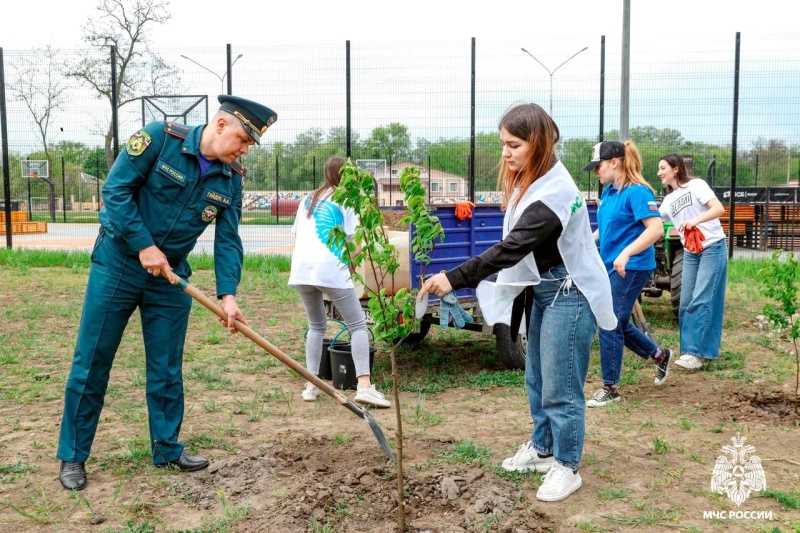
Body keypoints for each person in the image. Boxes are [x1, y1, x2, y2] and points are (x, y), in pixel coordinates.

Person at [56, 95, 278, 491]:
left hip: (171, 277)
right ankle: (73, 456)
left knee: (166, 367)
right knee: (92, 359)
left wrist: (228, 294)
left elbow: (229, 241)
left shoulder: (233, 179)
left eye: (250, 145)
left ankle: (167, 448)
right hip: (118, 264)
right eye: (244, 139)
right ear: (221, 124)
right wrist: (143, 244)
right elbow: (116, 191)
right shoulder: (160, 139)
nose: (245, 149)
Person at [420, 103, 616, 502]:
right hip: (543, 290)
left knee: (561, 385)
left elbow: (511, 248)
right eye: (503, 144)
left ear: (537, 143)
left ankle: (567, 465)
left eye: (513, 145)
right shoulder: (536, 180)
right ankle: (543, 448)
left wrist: (452, 278)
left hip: (568, 292)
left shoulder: (555, 193)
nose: (505, 153)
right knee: (537, 377)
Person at [288, 156, 390, 408]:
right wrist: (354, 259)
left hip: (301, 270)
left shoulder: (308, 199)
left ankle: (312, 384)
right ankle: (365, 386)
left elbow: (299, 235)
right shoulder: (347, 200)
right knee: (357, 325)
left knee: (316, 326)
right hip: (330, 269)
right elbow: (354, 243)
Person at [582, 141, 674, 408]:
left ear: (614, 162)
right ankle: (659, 355)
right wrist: (588, 241)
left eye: (598, 166)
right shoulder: (610, 193)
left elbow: (655, 229)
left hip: (633, 267)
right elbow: (608, 228)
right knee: (617, 322)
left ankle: (610, 388)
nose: (595, 172)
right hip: (611, 265)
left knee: (610, 321)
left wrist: (626, 253)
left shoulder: (637, 191)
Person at [657, 153, 727, 370]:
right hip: (690, 252)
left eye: (663, 168)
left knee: (702, 298)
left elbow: (718, 209)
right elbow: (652, 220)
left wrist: (695, 220)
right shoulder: (668, 201)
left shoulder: (697, 185)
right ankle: (693, 351)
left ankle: (694, 353)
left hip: (712, 247)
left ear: (675, 169)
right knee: (686, 302)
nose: (659, 173)